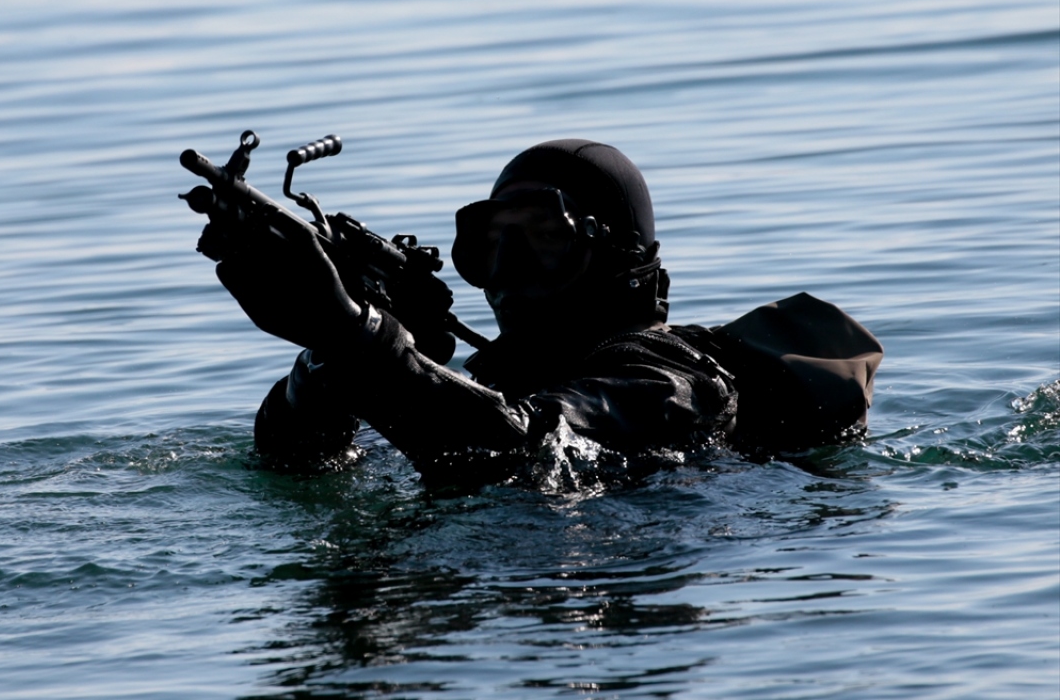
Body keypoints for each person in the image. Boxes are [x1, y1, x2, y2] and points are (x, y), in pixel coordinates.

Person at [213, 139, 879, 489]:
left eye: (542, 237)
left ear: (620, 257)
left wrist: (359, 336)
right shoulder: (494, 385)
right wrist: (329, 355)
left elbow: (519, 448)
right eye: (490, 243)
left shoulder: (670, 381)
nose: (509, 266)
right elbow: (297, 466)